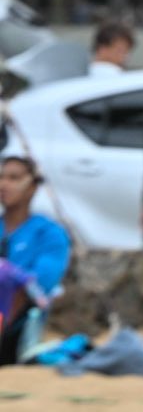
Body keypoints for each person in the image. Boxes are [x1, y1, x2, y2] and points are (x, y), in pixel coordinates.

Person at [0, 154, 71, 363]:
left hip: (19, 324)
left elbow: (39, 284)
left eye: (13, 178)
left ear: (32, 187)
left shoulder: (50, 233)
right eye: (1, 177)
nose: (4, 184)